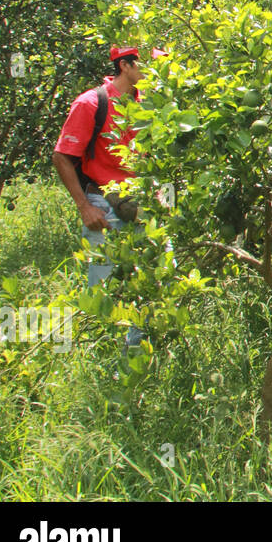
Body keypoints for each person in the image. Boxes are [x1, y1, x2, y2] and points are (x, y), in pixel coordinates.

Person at [53, 45, 153, 349]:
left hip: (139, 207)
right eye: (145, 66)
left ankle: (135, 358)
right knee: (105, 294)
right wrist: (85, 208)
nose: (152, 74)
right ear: (125, 65)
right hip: (103, 207)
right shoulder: (91, 103)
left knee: (150, 285)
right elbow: (61, 157)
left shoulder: (146, 105)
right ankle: (102, 362)